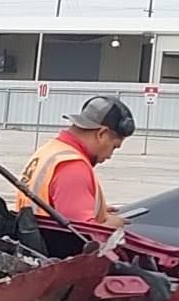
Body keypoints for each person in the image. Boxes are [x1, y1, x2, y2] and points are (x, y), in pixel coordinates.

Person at [12, 94, 136, 227]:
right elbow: (82, 236)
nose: (110, 155)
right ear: (101, 134)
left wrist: (95, 208)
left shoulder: (51, 150)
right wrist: (111, 226)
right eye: (114, 147)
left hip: (32, 237)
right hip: (51, 246)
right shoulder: (73, 167)